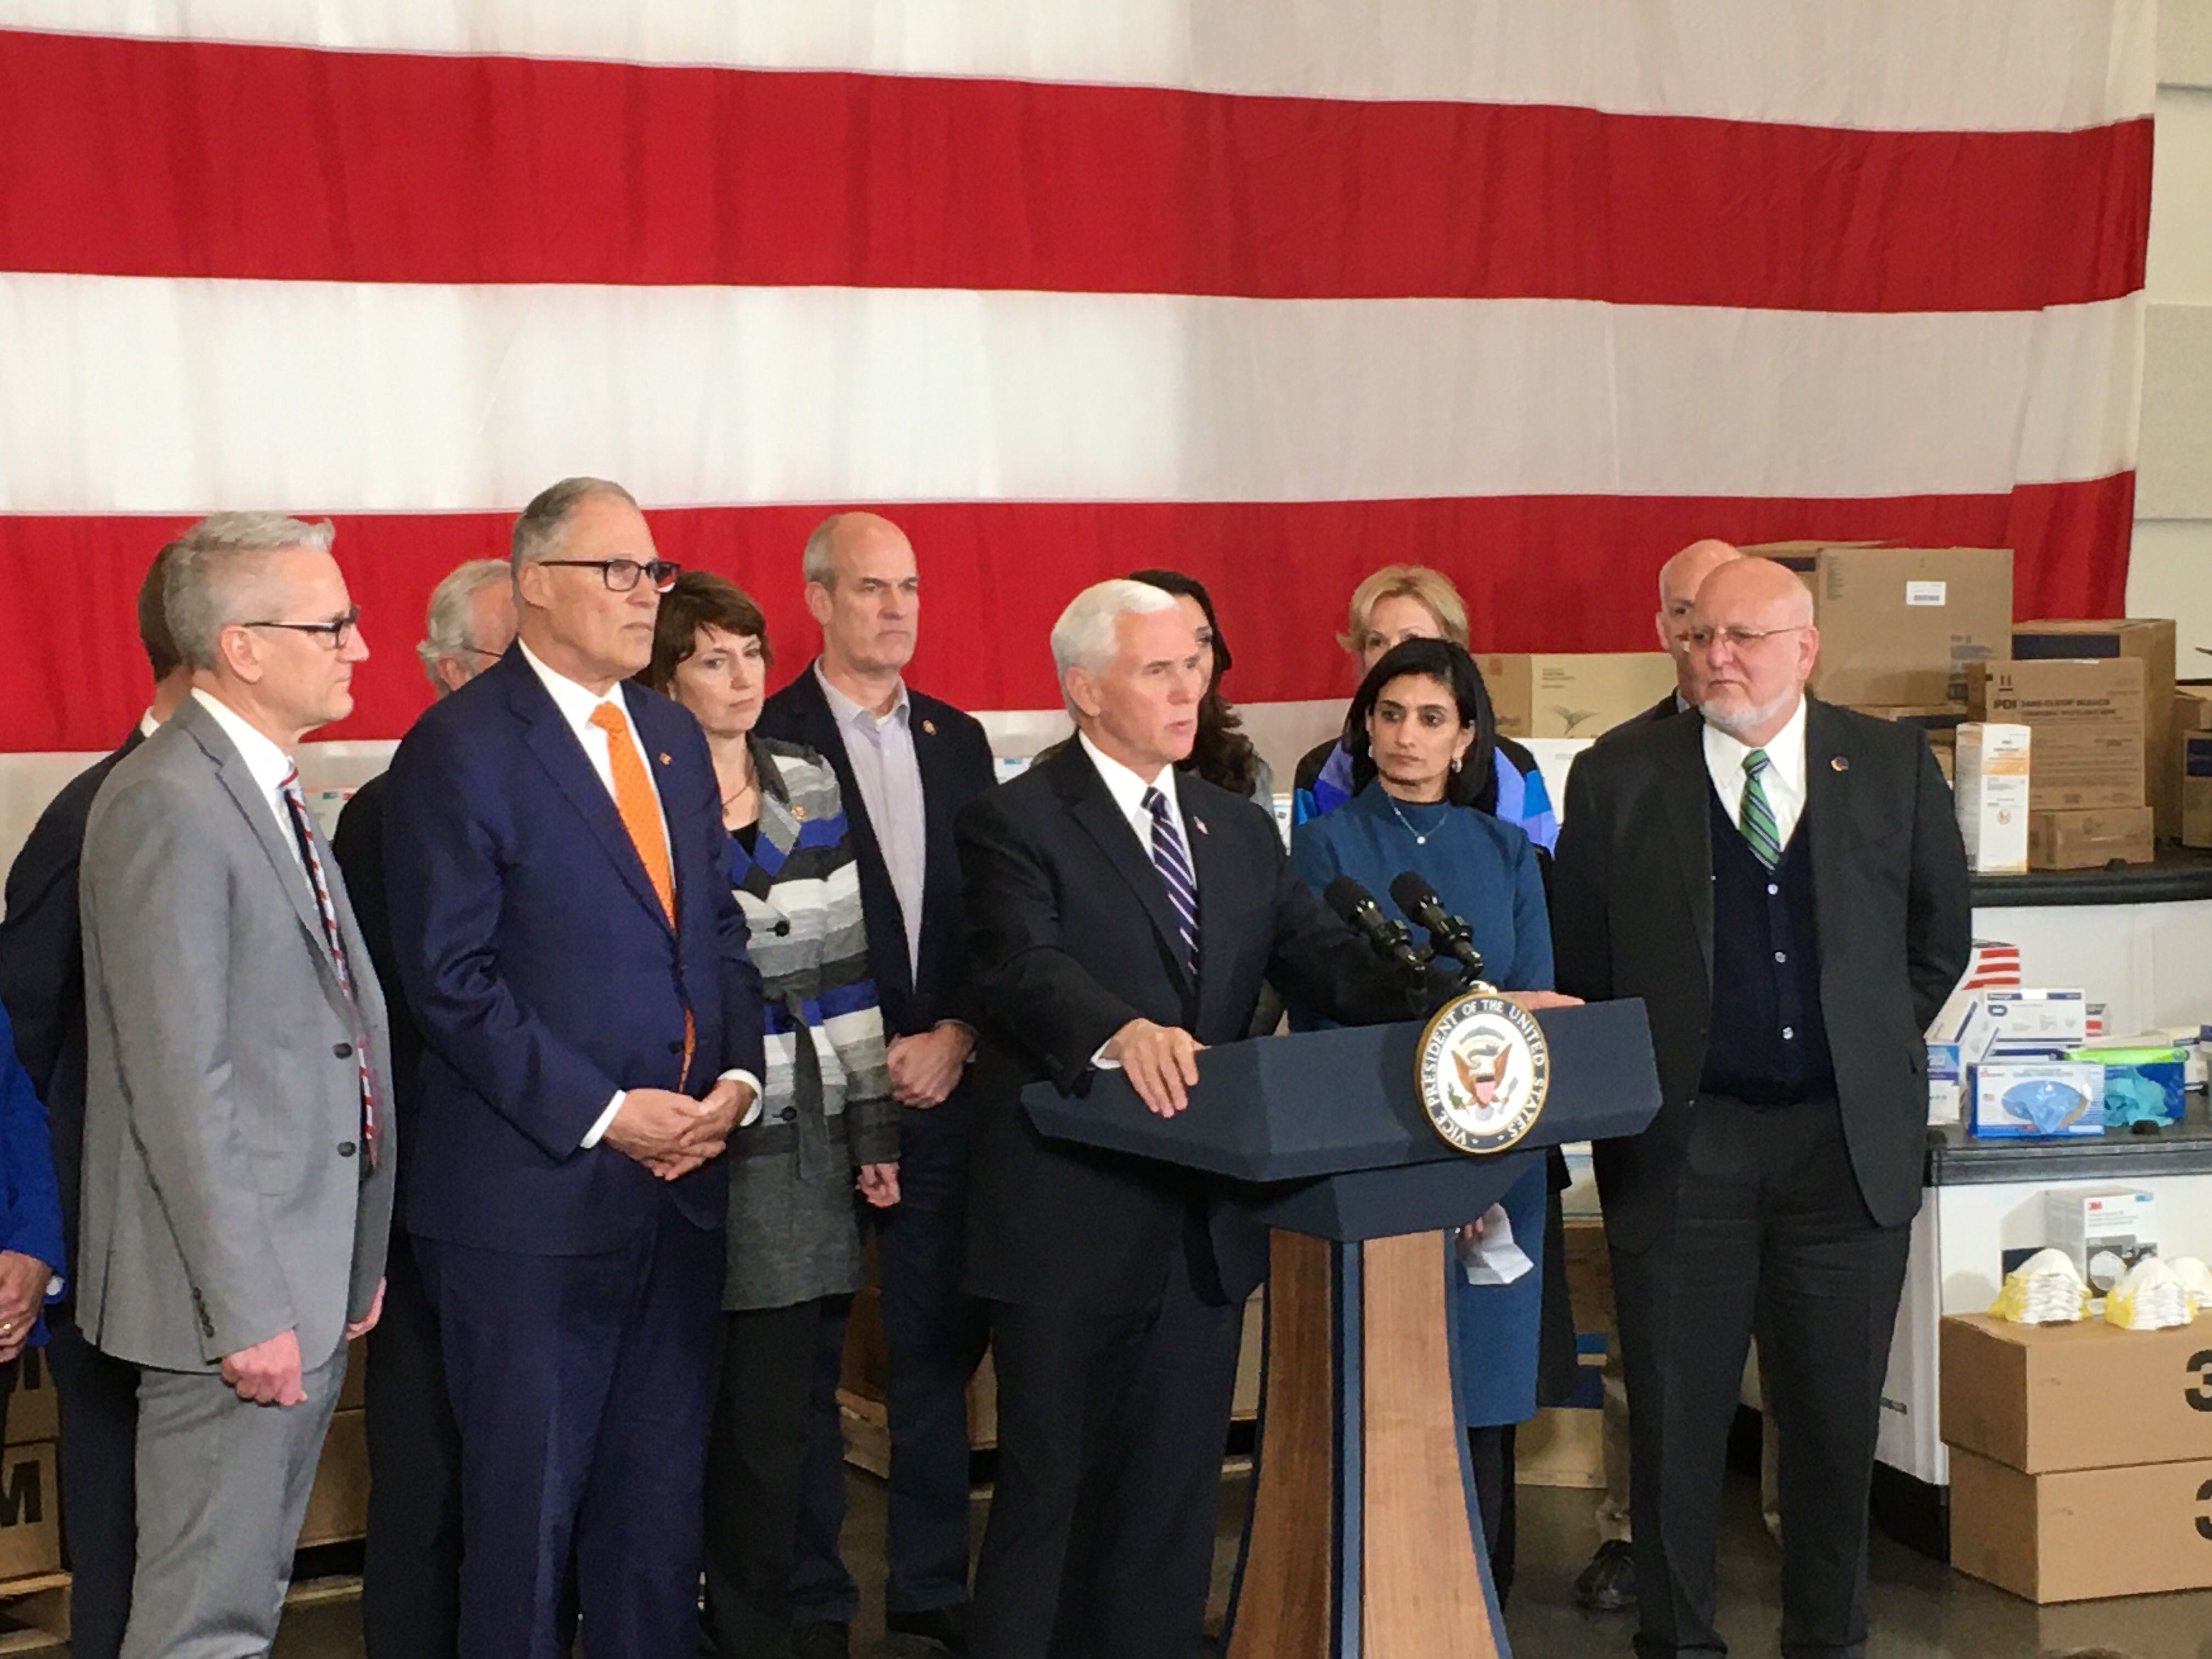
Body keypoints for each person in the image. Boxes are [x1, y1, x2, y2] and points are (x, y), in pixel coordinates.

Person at [955, 579, 1449, 1659]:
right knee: (1051, 1510)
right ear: (1084, 691)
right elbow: (1021, 965)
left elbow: (1321, 963)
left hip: (1197, 1239)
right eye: (1158, 669)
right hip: (1065, 1233)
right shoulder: (1014, 820)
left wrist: (1457, 1004)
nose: (1191, 689)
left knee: (1169, 1524)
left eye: (1197, 662)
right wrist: (1118, 1028)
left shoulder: (1234, 829)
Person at [1549, 556, 1970, 1659]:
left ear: (1805, 647)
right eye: (1698, 637)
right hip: (1686, 1156)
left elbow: (1938, 943)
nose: (1715, 657)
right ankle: (1679, 1645)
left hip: (1845, 1159)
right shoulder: (1617, 776)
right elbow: (1585, 964)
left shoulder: (1888, 766)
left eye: (1741, 637)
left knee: (1833, 1444)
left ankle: (1827, 1644)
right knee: (1678, 1442)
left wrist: (1859, 1043)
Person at [380, 477, 766, 1659]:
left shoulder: (662, 733)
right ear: (533, 583)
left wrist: (736, 1087)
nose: (646, 594)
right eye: (618, 570)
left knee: (656, 1528)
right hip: (530, 1211)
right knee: (524, 1531)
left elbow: (719, 935)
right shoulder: (457, 747)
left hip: (681, 1190)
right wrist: (606, 1114)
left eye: (652, 570)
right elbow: (449, 979)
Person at [76, 512, 394, 1658]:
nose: (359, 644)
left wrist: (350, 1258)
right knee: (204, 1624)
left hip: (297, 1278)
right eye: (333, 623)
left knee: (242, 1606)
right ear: (243, 646)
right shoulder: (170, 800)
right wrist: (251, 1304)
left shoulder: (261, 787)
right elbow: (179, 1084)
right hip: (237, 1303)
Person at [636, 572, 903, 1658]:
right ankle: (721, 1621)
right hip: (693, 1133)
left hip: (809, 1128)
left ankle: (807, 1613)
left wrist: (874, 1134)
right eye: (713, 658)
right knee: (719, 1418)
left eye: (751, 653)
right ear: (666, 677)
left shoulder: (809, 778)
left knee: (795, 1413)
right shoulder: (642, 792)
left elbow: (846, 967)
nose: (743, 676)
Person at [1288, 637, 1577, 1601]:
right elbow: (1325, 1008)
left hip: (1501, 1153)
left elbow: (1532, 1006)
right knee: (1383, 1381)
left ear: (1465, 738)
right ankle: (1386, 1597)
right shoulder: (1323, 845)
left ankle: (1480, 1600)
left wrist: (1480, 1168)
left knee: (1485, 1385)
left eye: (1430, 717)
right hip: (1380, 1158)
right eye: (1389, 714)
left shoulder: (1504, 849)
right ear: (1364, 727)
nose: (1406, 735)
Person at [756, 511, 996, 1657]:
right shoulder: (763, 733)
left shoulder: (959, 738)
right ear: (818, 600)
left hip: (940, 1086)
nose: (896, 609)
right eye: (870, 589)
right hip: (811, 1101)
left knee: (935, 1345)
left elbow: (994, 920)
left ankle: (930, 1580)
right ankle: (810, 1596)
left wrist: (958, 1030)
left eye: (908, 588)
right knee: (802, 1355)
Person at [0, 541, 191, 1659]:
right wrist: (39, 1237)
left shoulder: (259, 805)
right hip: (112, 1260)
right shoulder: (93, 816)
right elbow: (20, 1038)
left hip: (209, 1256)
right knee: (127, 1546)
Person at [331, 556, 516, 1659]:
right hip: (426, 1198)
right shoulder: (390, 814)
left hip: (556, 1198)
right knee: (425, 1473)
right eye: (505, 658)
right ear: (446, 668)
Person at [1579, 533, 1744, 1613]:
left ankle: (1783, 1540)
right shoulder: (1617, 768)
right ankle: (1636, 1538)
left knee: (1791, 1354)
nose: (1705, 637)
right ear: (1662, 629)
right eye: (1687, 615)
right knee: (1655, 1350)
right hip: (1663, 1113)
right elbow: (1585, 941)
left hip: (1796, 1108)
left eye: (1727, 617)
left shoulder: (1834, 757)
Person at [1291, 565, 1556, 848]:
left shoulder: (1514, 770)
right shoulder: (1321, 774)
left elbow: (1542, 872)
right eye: (1376, 642)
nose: (1391, 656)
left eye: (1412, 640)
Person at [1602, 538, 1745, 740]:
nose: (1701, 627)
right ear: (1662, 629)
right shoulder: (1615, 757)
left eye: (1722, 607)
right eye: (1683, 611)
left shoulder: (1801, 741)